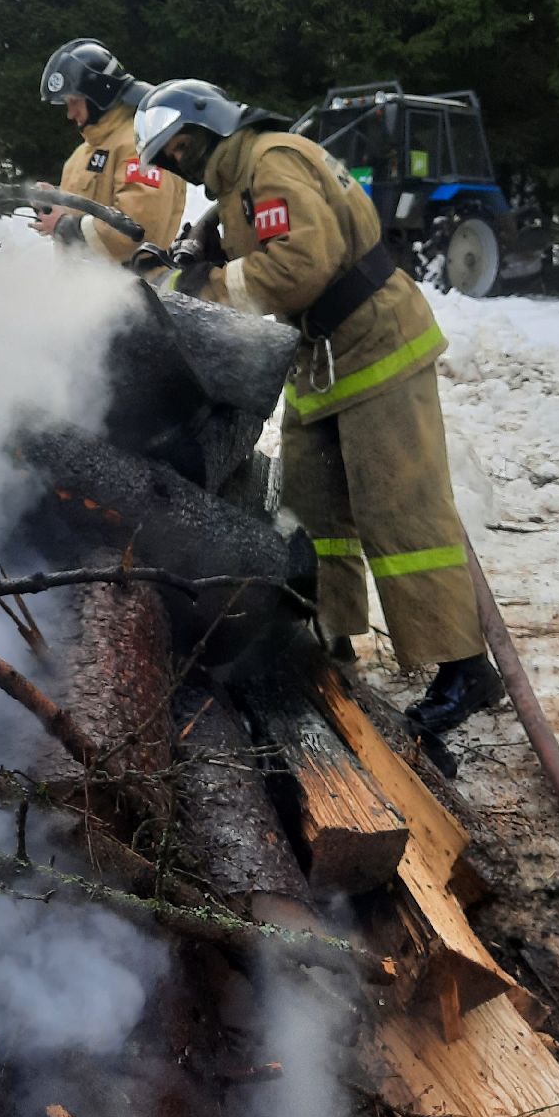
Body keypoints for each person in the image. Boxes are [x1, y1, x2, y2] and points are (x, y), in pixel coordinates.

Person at [133, 77, 504, 736]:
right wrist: (196, 246)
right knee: (312, 508)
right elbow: (236, 223)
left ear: (206, 128)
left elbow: (302, 265)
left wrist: (212, 283)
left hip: (375, 343)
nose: (173, 164)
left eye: (177, 149)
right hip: (322, 356)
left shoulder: (271, 163)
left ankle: (464, 668)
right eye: (166, 156)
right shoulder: (243, 174)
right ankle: (332, 637)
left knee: (400, 510)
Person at [33, 39, 186, 264]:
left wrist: (66, 226)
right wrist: (54, 199)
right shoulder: (82, 154)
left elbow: (138, 227)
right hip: (84, 292)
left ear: (98, 97)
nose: (70, 113)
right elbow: (95, 203)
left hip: (133, 292)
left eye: (75, 101)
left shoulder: (142, 145)